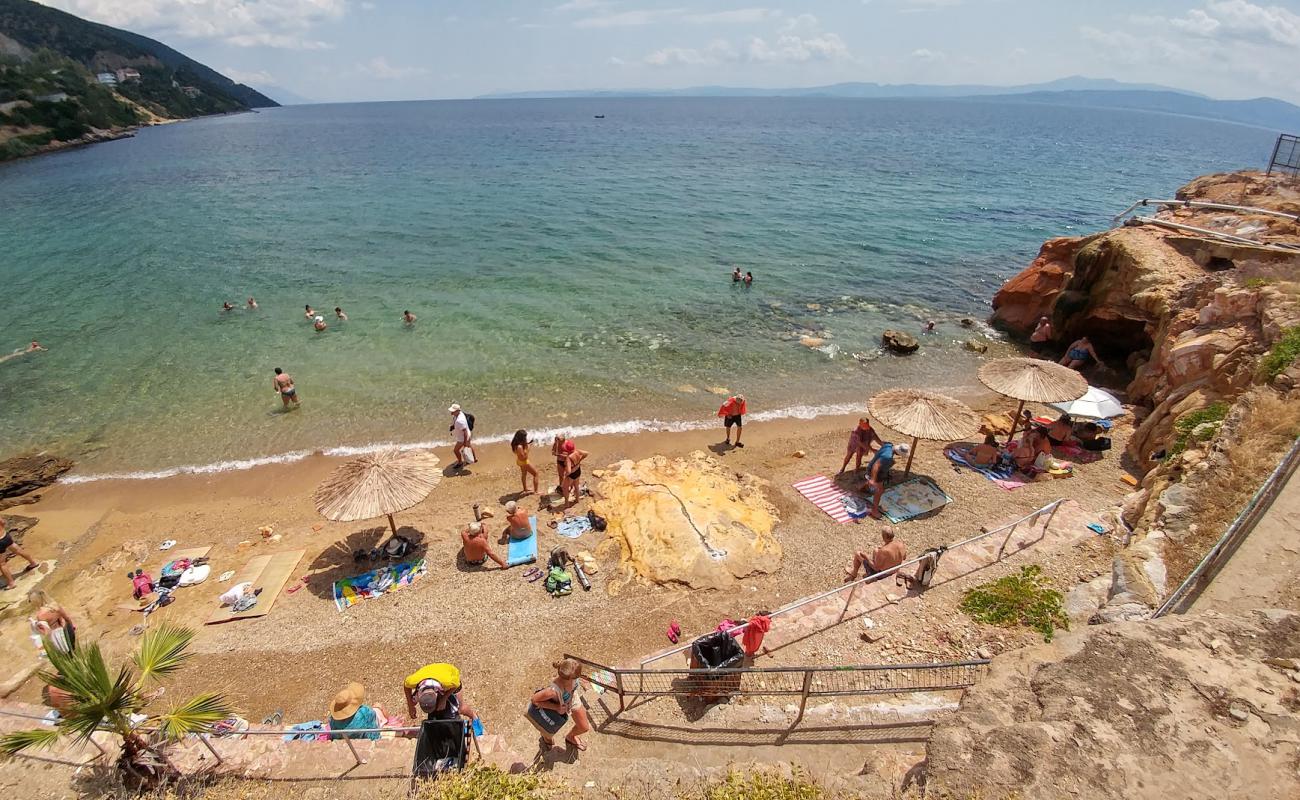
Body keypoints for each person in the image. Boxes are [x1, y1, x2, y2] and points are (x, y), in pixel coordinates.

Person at [527, 658, 592, 752]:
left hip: (572, 700)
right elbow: (534, 700)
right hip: (556, 708)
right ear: (569, 678)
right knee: (548, 729)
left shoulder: (572, 675)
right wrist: (557, 707)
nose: (578, 678)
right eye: (576, 678)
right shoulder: (553, 691)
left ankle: (570, 737)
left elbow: (574, 684)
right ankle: (547, 739)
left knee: (584, 727)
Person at [403, 663, 478, 724]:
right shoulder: (412, 681)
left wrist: (444, 698)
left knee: (460, 709)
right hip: (432, 674)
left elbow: (456, 684)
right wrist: (410, 705)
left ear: (437, 694)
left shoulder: (448, 682)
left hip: (451, 677)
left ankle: (475, 718)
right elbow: (406, 686)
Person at [861, 442, 898, 519]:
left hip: (875, 467)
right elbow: (876, 466)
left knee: (872, 484)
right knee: (879, 490)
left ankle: (861, 488)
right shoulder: (887, 457)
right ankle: (874, 511)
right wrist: (873, 480)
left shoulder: (889, 445)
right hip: (875, 471)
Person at [0, 517, 39, 590]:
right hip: (5, 535)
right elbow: (3, 522)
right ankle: (33, 563)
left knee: (2, 564)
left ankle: (11, 583)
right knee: (18, 550)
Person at [512, 430, 539, 494]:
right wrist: (528, 448)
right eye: (525, 437)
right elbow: (524, 457)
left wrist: (528, 444)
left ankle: (525, 489)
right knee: (536, 474)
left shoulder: (516, 444)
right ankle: (536, 491)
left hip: (519, 461)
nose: (525, 438)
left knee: (524, 474)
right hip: (524, 462)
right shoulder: (519, 447)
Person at [561, 440, 589, 505]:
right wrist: (579, 460)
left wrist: (566, 475)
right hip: (578, 471)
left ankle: (566, 503)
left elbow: (569, 471)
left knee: (565, 488)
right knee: (576, 486)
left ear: (566, 449)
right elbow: (586, 453)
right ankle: (577, 499)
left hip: (571, 474)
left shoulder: (569, 458)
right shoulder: (577, 451)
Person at [449, 404, 474, 469]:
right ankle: (475, 458)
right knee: (469, 446)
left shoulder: (459, 421)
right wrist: (453, 426)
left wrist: (464, 443)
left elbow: (465, 432)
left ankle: (460, 462)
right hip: (468, 434)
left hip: (462, 438)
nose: (451, 412)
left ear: (458, 411)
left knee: (456, 450)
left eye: (453, 411)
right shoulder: (460, 413)